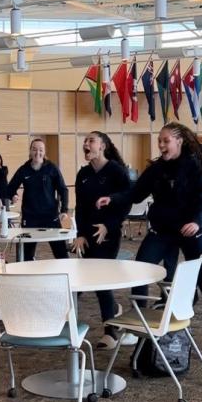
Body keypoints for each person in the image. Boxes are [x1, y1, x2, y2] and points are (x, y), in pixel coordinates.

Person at [97, 122, 202, 357]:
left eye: (166, 140)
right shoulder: (157, 169)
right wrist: (112, 199)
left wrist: (196, 221)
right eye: (160, 141)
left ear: (179, 142)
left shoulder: (197, 166)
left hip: (191, 230)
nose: (162, 145)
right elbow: (135, 193)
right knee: (140, 268)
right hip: (163, 231)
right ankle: (138, 323)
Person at [72, 131, 131, 350]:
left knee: (101, 282)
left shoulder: (116, 171)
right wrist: (79, 234)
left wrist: (109, 225)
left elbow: (126, 202)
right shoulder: (83, 174)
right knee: (84, 281)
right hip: (87, 235)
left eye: (91, 141)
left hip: (109, 234)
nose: (86, 144)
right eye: (84, 141)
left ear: (102, 146)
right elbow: (79, 207)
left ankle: (110, 333)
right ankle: (111, 310)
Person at [7, 138, 70, 262]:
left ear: (44, 152)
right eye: (34, 149)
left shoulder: (51, 168)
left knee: (61, 254)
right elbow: (10, 188)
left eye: (41, 150)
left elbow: (63, 190)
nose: (37, 153)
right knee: (26, 256)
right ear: (30, 151)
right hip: (30, 218)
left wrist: (64, 210)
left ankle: (68, 278)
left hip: (50, 217)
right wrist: (13, 195)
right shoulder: (24, 169)